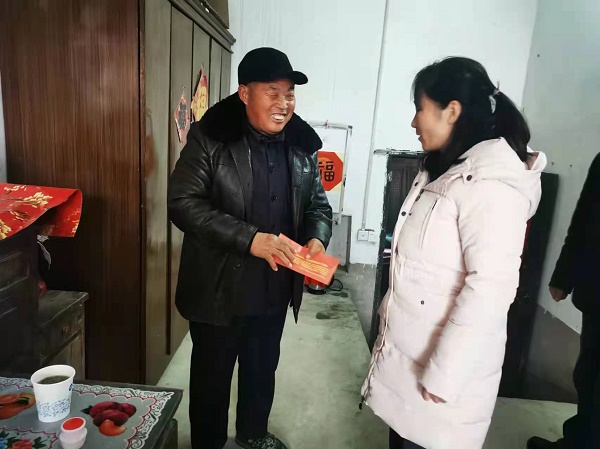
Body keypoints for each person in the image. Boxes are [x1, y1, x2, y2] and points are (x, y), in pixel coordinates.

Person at [361, 57, 547, 449]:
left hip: (441, 384)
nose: (414, 122)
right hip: (411, 368)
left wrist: (444, 375)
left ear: (452, 111)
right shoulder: (443, 172)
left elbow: (490, 289)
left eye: (420, 108)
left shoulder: (491, 185)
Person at [168, 47, 332, 449]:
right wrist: (250, 240)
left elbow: (318, 206)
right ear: (244, 93)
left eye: (289, 94)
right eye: (272, 92)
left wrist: (317, 236)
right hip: (218, 289)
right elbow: (183, 203)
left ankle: (253, 433)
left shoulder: (301, 146)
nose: (284, 103)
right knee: (211, 379)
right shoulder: (211, 138)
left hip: (273, 289)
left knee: (262, 370)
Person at [527, 154, 600, 449]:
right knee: (588, 375)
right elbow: (585, 218)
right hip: (596, 293)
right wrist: (563, 275)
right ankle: (579, 442)